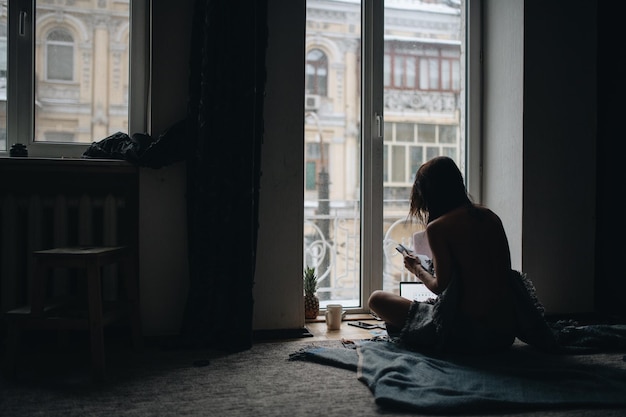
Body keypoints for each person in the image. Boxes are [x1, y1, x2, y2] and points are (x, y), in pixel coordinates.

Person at [368, 156, 516, 353]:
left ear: (428, 193)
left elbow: (441, 288)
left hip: (471, 335)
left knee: (376, 300)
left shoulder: (438, 227)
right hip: (505, 332)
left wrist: (417, 268)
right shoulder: (490, 216)